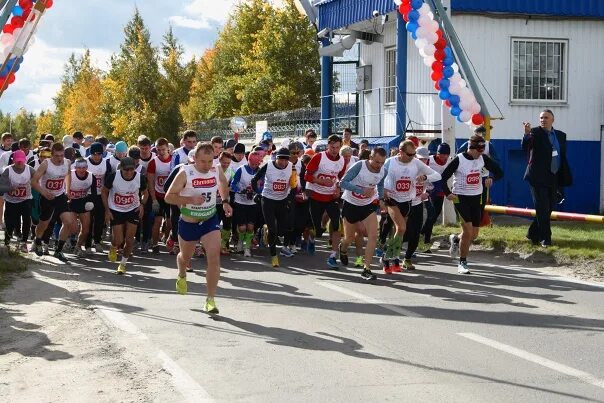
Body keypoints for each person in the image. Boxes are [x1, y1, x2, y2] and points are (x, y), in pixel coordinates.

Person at [165, 142, 232, 315]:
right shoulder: (185, 172)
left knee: (214, 258)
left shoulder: (216, 169)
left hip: (210, 219)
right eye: (203, 161)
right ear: (194, 158)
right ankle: (181, 274)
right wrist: (190, 200)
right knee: (185, 257)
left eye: (210, 161)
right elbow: (169, 197)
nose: (207, 165)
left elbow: (223, 184)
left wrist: (225, 202)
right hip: (189, 221)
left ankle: (210, 299)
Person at [441, 135, 504, 274]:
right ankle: (462, 262)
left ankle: (456, 239)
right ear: (471, 148)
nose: (481, 154)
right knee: (468, 231)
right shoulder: (459, 159)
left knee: (473, 234)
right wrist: (447, 193)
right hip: (460, 198)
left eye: (483, 151)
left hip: (476, 198)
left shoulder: (482, 158)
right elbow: (443, 177)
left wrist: (491, 178)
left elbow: (500, 172)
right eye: (479, 151)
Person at [379, 140, 441, 273]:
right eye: (409, 154)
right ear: (401, 152)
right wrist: (382, 192)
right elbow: (378, 177)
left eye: (414, 154)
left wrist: (424, 177)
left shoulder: (415, 162)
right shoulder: (390, 162)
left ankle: (395, 257)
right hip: (392, 199)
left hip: (409, 201)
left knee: (405, 232)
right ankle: (386, 255)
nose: (412, 157)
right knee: (401, 228)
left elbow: (437, 175)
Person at [522, 110, 572, 247]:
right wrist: (526, 134)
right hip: (537, 177)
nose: (543, 120)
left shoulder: (561, 136)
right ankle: (545, 239)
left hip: (553, 176)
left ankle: (532, 233)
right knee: (542, 207)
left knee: (548, 208)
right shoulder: (534, 132)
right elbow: (525, 146)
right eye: (541, 118)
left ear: (552, 120)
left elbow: (561, 156)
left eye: (546, 117)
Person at [339, 147, 387, 281]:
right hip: (351, 204)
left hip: (367, 206)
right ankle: (343, 248)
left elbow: (381, 185)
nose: (379, 166)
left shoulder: (383, 170)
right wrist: (360, 190)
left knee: (373, 236)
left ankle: (366, 269)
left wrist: (381, 199)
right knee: (349, 238)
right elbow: (342, 183)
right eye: (377, 162)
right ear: (370, 158)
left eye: (382, 163)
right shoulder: (359, 166)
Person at [304, 134, 348, 269]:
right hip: (315, 195)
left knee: (336, 225)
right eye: (332, 147)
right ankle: (311, 239)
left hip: (330, 197)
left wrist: (337, 189)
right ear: (328, 146)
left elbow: (340, 178)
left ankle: (333, 256)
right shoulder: (319, 157)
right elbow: (307, 176)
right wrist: (321, 181)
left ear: (340, 147)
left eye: (337, 147)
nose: (334, 150)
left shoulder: (342, 161)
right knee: (317, 229)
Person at [251, 147, 297, 267]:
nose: (283, 163)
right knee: (273, 230)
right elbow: (254, 179)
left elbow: (294, 185)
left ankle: (265, 229)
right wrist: (257, 193)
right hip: (268, 200)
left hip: (282, 200)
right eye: (280, 160)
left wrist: (289, 200)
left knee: (282, 230)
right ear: (276, 158)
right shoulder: (268, 166)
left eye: (286, 160)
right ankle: (274, 256)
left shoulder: (291, 166)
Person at [31, 142, 76, 262]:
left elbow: (68, 175)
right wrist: (44, 193)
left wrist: (68, 190)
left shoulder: (67, 162)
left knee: (68, 221)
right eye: (56, 156)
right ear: (51, 155)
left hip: (60, 195)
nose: (60, 158)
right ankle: (38, 241)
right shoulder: (46, 164)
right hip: (47, 196)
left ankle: (58, 250)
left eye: (61, 155)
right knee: (44, 224)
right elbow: (34, 181)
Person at [102, 157, 148, 274]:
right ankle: (113, 246)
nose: (128, 172)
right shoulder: (113, 176)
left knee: (129, 240)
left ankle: (122, 264)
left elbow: (145, 193)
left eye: (131, 169)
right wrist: (107, 210)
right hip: (116, 210)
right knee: (118, 240)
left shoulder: (140, 177)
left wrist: (142, 204)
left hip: (133, 209)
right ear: (121, 168)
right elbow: (104, 191)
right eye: (126, 170)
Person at [230, 149, 263, 257]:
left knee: (250, 227)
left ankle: (247, 247)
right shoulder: (241, 169)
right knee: (242, 227)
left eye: (256, 164)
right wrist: (240, 190)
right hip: (240, 202)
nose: (254, 166)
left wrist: (257, 192)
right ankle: (240, 241)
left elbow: (262, 186)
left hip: (253, 203)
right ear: (248, 161)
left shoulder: (260, 171)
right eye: (252, 163)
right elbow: (233, 184)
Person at [0, 150, 35, 252]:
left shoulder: (30, 169)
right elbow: (1, 187)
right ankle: (7, 242)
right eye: (17, 161)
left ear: (25, 160)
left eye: (22, 161)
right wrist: (10, 188)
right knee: (9, 223)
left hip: (26, 199)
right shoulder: (8, 170)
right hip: (11, 201)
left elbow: (38, 179)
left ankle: (24, 242)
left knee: (27, 219)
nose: (20, 163)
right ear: (13, 161)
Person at [421, 143, 452, 246]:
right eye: (441, 155)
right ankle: (426, 241)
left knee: (435, 216)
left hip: (439, 191)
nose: (443, 157)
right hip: (427, 191)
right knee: (431, 214)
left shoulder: (450, 161)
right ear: (437, 154)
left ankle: (421, 233)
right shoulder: (429, 160)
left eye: (446, 155)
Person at [146, 138, 172, 254]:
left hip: (170, 195)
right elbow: (150, 182)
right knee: (157, 221)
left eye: (163, 150)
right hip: (158, 195)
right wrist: (154, 199)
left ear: (168, 149)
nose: (161, 152)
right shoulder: (153, 162)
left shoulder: (173, 161)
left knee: (170, 221)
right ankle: (155, 244)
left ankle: (167, 239)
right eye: (158, 150)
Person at [66, 158, 96, 257]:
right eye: (79, 168)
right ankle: (67, 239)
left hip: (84, 202)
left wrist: (91, 202)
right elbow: (62, 189)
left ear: (87, 167)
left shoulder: (91, 176)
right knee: (73, 228)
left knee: (86, 230)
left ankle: (78, 247)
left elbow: (94, 193)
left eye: (84, 168)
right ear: (75, 168)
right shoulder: (70, 175)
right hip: (71, 202)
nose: (82, 170)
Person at [84, 142, 108, 253]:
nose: (96, 156)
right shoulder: (85, 162)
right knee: (88, 221)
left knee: (99, 220)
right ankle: (87, 244)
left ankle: (97, 241)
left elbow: (108, 181)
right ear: (91, 153)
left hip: (100, 195)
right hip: (87, 194)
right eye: (94, 154)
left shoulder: (106, 163)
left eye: (99, 154)